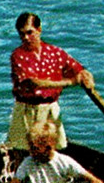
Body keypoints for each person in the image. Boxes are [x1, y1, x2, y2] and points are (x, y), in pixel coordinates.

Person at [6, 11, 94, 152]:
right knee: (21, 150)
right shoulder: (18, 56)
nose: (26, 38)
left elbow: (77, 68)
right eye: (22, 34)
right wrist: (70, 82)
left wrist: (86, 77)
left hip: (49, 109)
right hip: (27, 110)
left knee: (52, 151)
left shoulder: (55, 52)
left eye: (30, 33)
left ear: (39, 30)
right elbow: (34, 82)